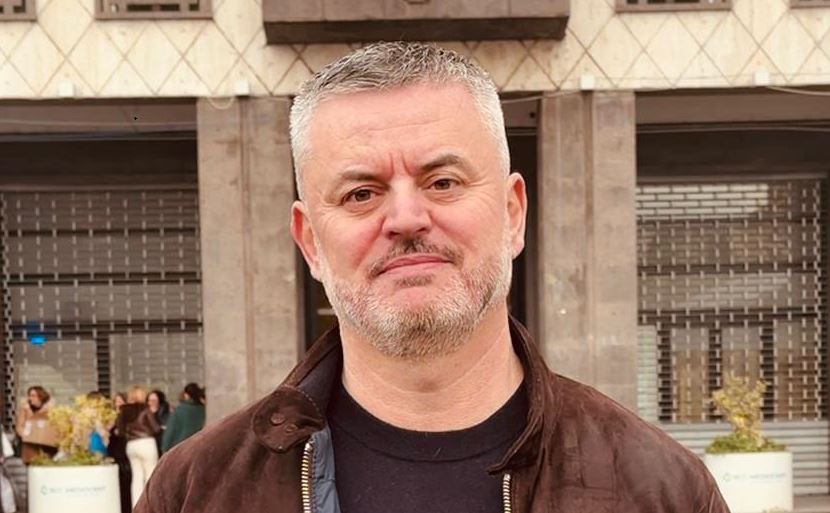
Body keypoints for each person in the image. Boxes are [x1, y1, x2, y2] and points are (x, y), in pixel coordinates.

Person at [135, 42, 729, 513]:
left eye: (443, 182)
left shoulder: (661, 490)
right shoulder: (194, 492)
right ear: (310, 242)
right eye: (361, 193)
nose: (405, 218)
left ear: (513, 214)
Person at [117, 386, 160, 508]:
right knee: (150, 476)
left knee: (136, 477)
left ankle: (136, 507)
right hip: (146, 443)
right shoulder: (145, 409)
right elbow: (155, 428)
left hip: (131, 445)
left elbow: (120, 431)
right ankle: (151, 507)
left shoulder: (123, 410)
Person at [14, 386, 58, 464]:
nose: (30, 398)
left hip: (45, 444)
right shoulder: (25, 409)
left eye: (33, 396)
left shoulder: (50, 409)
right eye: (29, 395)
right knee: (30, 463)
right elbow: (19, 426)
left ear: (41, 396)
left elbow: (54, 425)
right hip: (29, 444)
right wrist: (24, 435)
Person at [161, 383, 205, 453]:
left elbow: (170, 431)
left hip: (181, 449)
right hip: (198, 448)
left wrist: (165, 449)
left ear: (186, 395)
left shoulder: (180, 410)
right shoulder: (203, 409)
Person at [109, 392, 132, 513]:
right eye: (116, 401)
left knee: (126, 481)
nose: (118, 404)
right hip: (114, 451)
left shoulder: (128, 416)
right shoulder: (111, 416)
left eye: (121, 401)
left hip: (124, 451)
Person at [146, 390, 170, 454]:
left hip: (161, 443)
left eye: (154, 400)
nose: (151, 403)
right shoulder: (145, 413)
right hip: (149, 443)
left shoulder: (165, 412)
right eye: (149, 400)